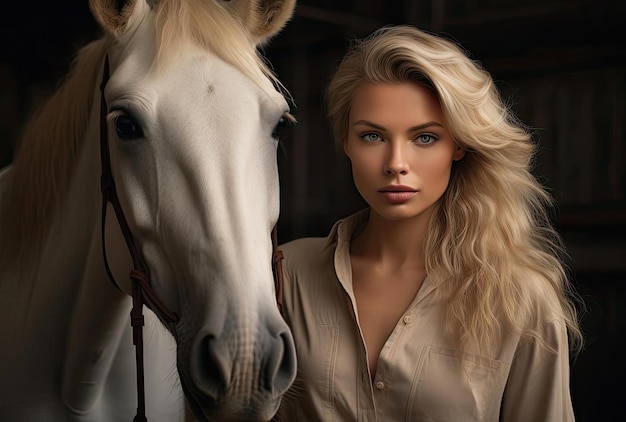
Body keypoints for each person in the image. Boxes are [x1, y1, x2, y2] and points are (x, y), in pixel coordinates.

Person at [273, 24, 583, 421]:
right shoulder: (286, 274)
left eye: (424, 138)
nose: (395, 164)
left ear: (459, 144)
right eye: (372, 137)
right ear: (345, 141)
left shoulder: (519, 298)